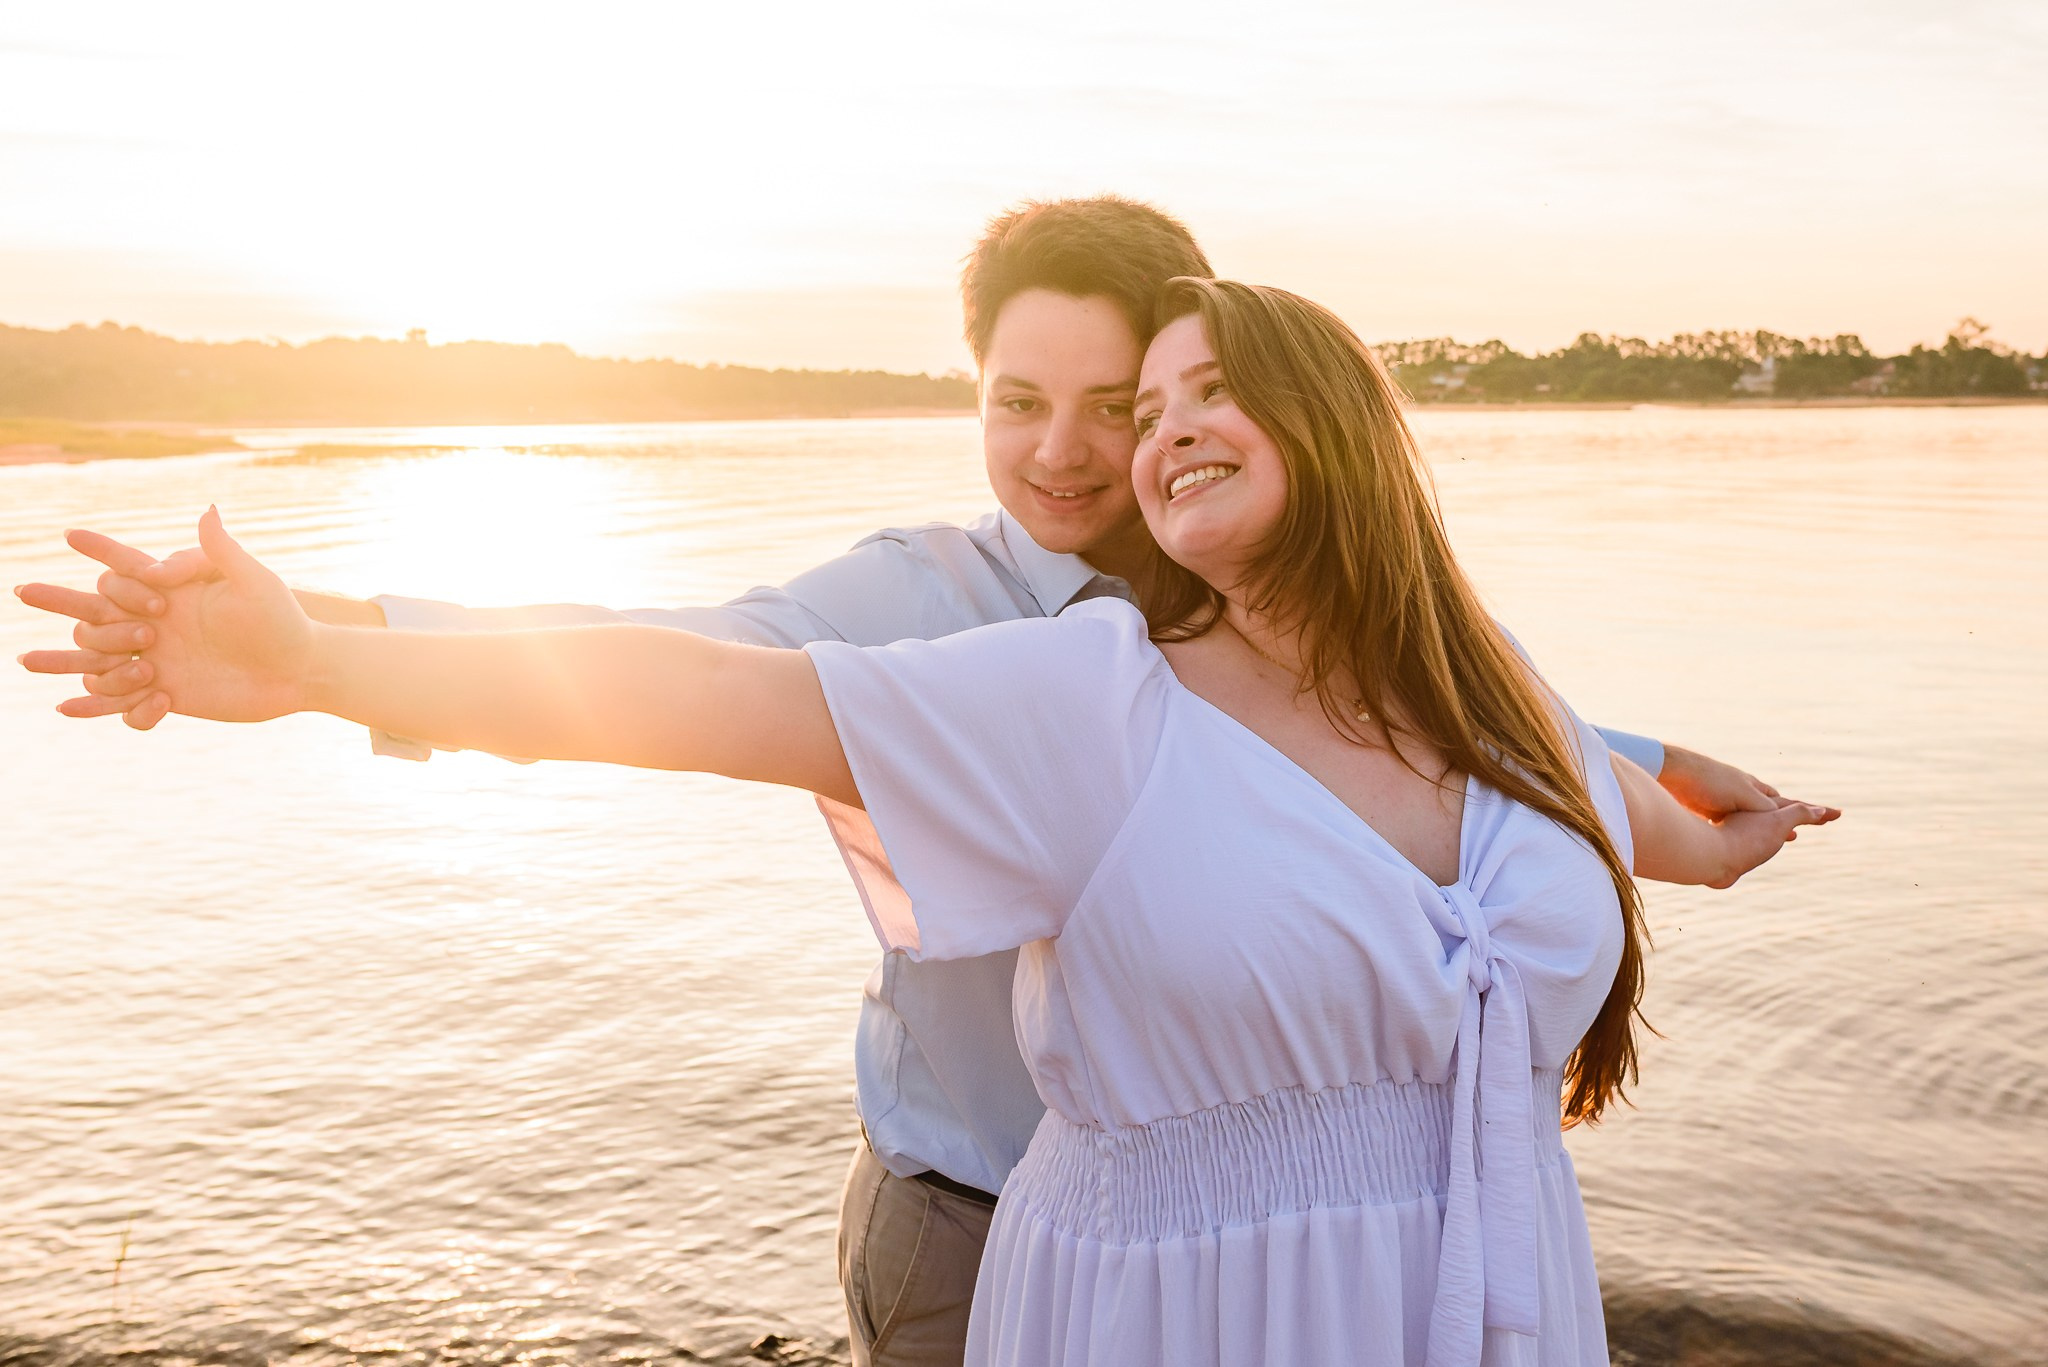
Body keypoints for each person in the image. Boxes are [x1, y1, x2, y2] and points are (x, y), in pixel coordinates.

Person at [14, 201, 1824, 1367]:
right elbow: (662, 669)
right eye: (1017, 401)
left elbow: (1471, 765)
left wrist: (1666, 795)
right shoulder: (996, 650)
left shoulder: (1441, 677)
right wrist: (326, 649)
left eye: (1130, 402)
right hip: (1024, 1237)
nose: (1075, 449)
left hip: (1433, 1268)